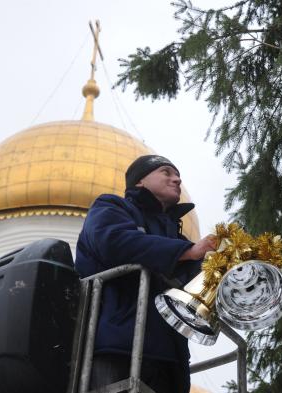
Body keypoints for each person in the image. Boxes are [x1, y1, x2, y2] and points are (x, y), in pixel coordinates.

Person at [75, 155, 216, 393]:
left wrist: (229, 266)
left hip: (170, 361)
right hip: (118, 346)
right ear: (140, 181)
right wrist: (188, 251)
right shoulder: (111, 207)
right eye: (166, 172)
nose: (177, 179)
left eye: (178, 175)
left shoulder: (174, 237)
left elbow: (196, 280)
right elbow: (115, 242)